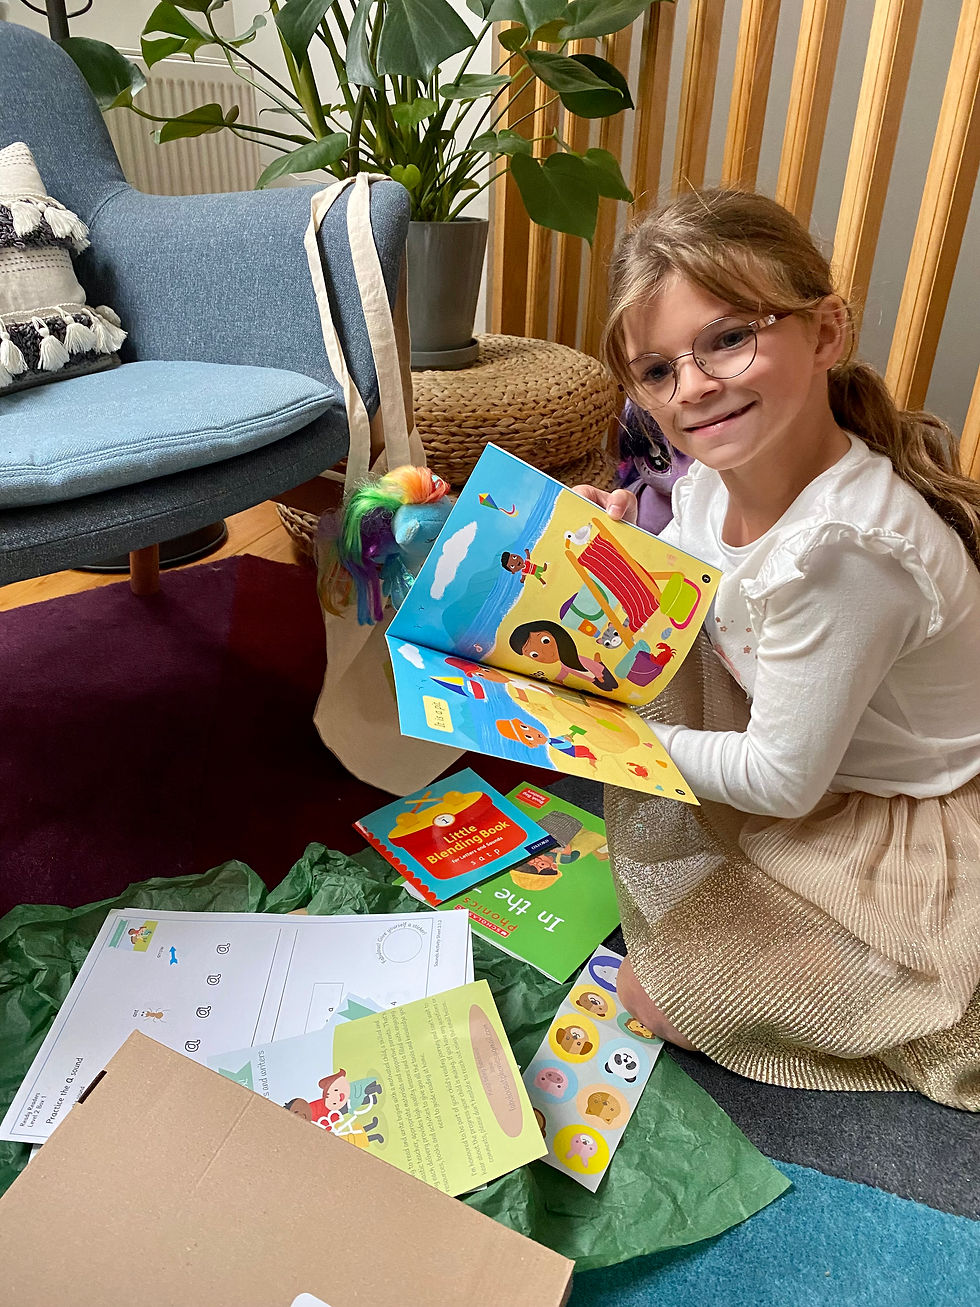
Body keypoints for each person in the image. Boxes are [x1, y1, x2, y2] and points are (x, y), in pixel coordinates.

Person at [574, 188, 980, 1110]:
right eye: (657, 369)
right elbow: (691, 592)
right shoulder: (718, 483)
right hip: (823, 754)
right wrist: (618, 548)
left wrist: (599, 739)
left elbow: (785, 781)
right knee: (668, 940)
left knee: (666, 989)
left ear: (827, 332)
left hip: (908, 819)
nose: (693, 388)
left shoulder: (843, 551)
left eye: (727, 339)